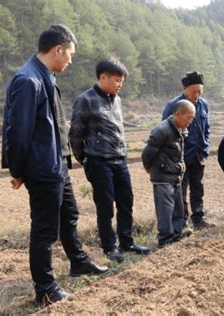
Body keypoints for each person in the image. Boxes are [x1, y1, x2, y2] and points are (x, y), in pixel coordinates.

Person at [1, 24, 108, 307]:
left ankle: (78, 262)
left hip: (57, 163)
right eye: (70, 54)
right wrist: (18, 170)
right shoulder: (28, 80)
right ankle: (45, 289)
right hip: (42, 168)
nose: (71, 60)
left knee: (69, 215)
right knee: (45, 230)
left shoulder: (44, 75)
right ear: (58, 49)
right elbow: (18, 131)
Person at [69, 58, 150, 263]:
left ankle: (127, 242)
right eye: (116, 80)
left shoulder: (117, 100)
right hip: (99, 162)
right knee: (105, 207)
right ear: (102, 77)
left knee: (126, 203)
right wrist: (84, 159)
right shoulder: (85, 100)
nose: (120, 85)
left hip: (119, 160)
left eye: (122, 81)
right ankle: (109, 247)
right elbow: (75, 134)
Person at [142, 100, 196, 247]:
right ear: (178, 114)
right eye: (189, 117)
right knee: (165, 211)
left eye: (193, 118)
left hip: (175, 175)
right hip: (163, 176)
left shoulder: (181, 129)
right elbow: (147, 154)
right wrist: (150, 169)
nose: (191, 121)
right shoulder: (162, 130)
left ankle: (176, 236)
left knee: (178, 209)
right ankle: (165, 240)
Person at [162, 72, 211, 230]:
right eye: (193, 91)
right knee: (180, 190)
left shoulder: (204, 105)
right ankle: (182, 223)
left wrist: (206, 146)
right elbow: (165, 130)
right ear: (185, 89)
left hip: (198, 155)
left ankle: (199, 219)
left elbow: (207, 128)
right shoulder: (173, 105)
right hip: (181, 156)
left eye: (200, 90)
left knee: (198, 188)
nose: (197, 94)